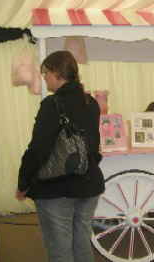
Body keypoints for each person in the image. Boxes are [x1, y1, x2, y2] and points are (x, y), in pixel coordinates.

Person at [16, 50, 105, 262]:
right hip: (89, 184)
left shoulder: (52, 104)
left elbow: (38, 149)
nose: (44, 78)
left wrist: (23, 182)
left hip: (56, 188)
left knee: (59, 248)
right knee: (82, 242)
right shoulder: (90, 103)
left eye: (45, 72)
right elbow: (93, 144)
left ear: (57, 73)